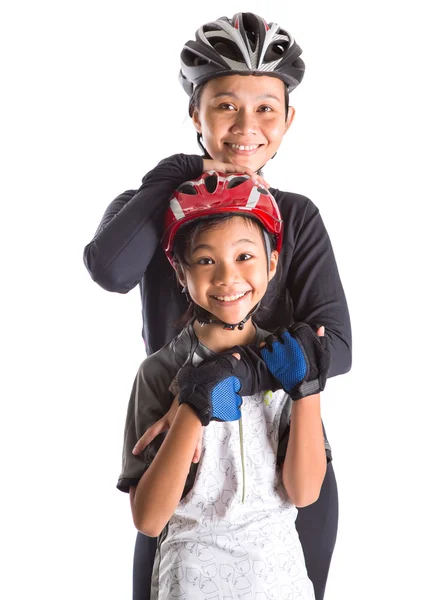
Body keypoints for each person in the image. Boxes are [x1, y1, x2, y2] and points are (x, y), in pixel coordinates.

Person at [83, 12, 352, 600]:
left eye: (266, 108)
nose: (246, 127)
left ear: (288, 119)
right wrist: (175, 175)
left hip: (284, 452)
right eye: (226, 105)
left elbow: (336, 346)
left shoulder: (295, 216)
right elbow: (109, 268)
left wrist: (222, 377)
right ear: (194, 113)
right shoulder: (156, 209)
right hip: (186, 456)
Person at [117, 170, 330, 600]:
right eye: (206, 260)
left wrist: (307, 389)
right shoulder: (159, 372)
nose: (227, 278)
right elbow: (150, 519)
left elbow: (304, 493)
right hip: (193, 581)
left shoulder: (284, 359)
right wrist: (195, 403)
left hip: (280, 578)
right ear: (180, 271)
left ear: (272, 263)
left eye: (245, 257)